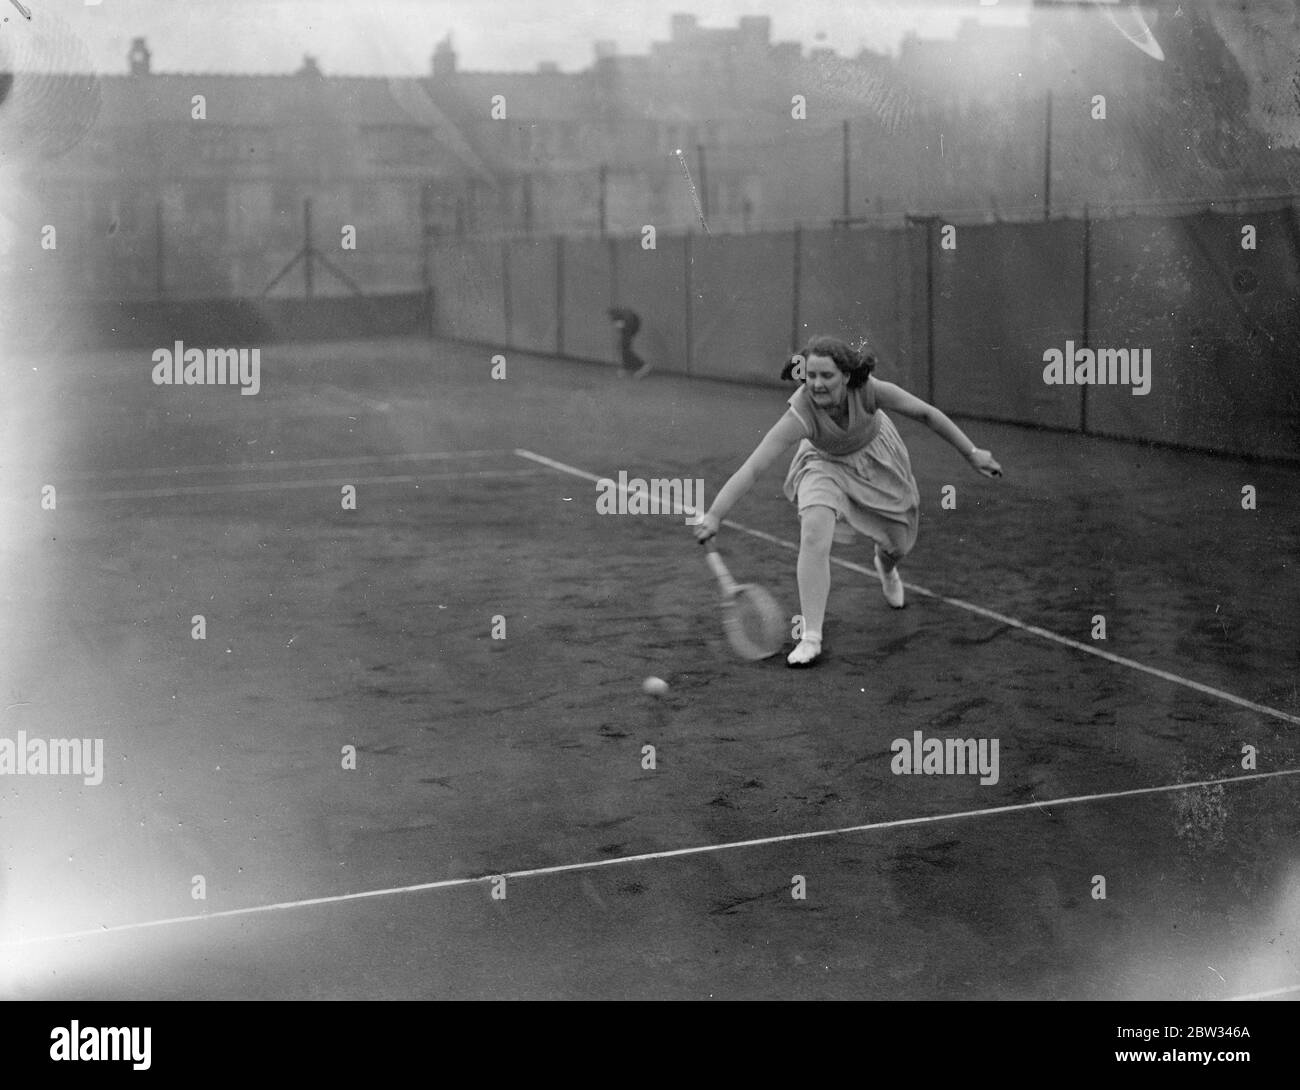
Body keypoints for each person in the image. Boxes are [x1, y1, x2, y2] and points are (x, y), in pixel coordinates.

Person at [692, 335, 1003, 667]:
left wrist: (972, 453)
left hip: (877, 460)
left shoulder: (869, 390)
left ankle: (885, 566)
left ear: (846, 375)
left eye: (826, 376)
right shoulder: (800, 413)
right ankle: (811, 637)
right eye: (811, 376)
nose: (817, 383)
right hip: (822, 463)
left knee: (899, 545)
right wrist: (715, 515)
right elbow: (754, 466)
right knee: (813, 530)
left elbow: (925, 414)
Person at [607, 306, 651, 379]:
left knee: (625, 348)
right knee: (623, 347)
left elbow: (626, 329)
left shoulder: (625, 317)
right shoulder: (619, 317)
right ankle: (627, 367)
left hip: (632, 324)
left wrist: (625, 338)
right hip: (631, 324)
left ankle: (642, 366)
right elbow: (622, 329)